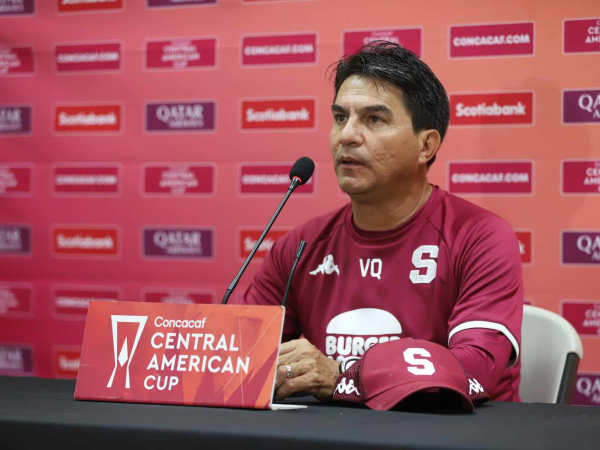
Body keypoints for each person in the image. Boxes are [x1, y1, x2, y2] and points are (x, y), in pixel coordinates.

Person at [241, 41, 523, 405]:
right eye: (341, 117)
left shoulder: (479, 236)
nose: (347, 135)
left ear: (426, 147)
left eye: (374, 119)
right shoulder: (301, 245)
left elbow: (474, 370)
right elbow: (239, 354)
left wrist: (342, 378)